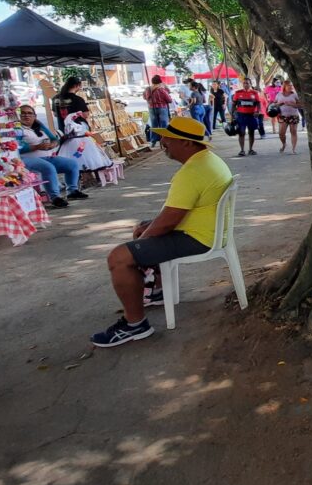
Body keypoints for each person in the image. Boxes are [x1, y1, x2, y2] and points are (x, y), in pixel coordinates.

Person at [91, 116, 232, 347]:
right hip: (206, 231)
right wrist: (145, 234)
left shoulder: (192, 172)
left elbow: (167, 222)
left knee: (119, 257)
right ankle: (156, 290)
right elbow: (170, 217)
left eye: (169, 138)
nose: (163, 142)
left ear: (186, 142)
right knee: (144, 230)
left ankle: (135, 325)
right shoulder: (208, 160)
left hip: (198, 238)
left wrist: (142, 243)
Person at [16, 105, 89, 208]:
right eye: (23, 113)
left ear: (34, 116)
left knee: (72, 164)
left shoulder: (39, 126)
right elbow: (17, 147)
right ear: (18, 115)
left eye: (29, 113)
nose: (26, 116)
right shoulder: (17, 129)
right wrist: (36, 147)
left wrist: (53, 144)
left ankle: (72, 191)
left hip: (47, 156)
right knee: (48, 167)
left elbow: (54, 139)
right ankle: (55, 197)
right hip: (26, 159)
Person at [231, 77, 265, 156]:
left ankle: (251, 149)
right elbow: (233, 104)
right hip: (241, 115)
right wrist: (233, 115)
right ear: (242, 84)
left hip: (251, 115)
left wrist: (257, 111)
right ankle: (242, 150)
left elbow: (258, 103)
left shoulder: (254, 93)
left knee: (251, 132)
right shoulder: (238, 93)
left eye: (247, 83)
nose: (246, 84)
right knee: (241, 133)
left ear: (250, 84)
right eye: (244, 83)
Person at [143, 75, 174, 147]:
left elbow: (145, 97)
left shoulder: (148, 89)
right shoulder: (161, 90)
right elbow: (169, 100)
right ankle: (165, 141)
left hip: (151, 108)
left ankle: (153, 142)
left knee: (154, 125)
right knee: (164, 125)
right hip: (162, 108)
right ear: (160, 82)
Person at [273, 80, 302, 154]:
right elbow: (274, 104)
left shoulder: (295, 94)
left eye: (291, 85)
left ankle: (293, 149)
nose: (291, 86)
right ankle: (284, 144)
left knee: (293, 132)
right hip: (283, 116)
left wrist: (292, 104)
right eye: (289, 85)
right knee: (281, 133)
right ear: (284, 86)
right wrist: (279, 104)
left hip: (293, 116)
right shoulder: (279, 94)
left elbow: (300, 105)